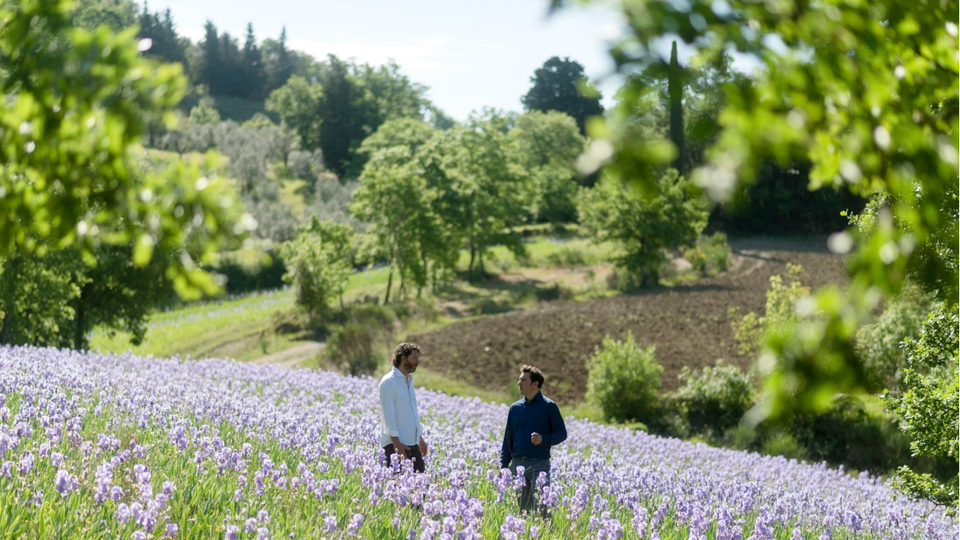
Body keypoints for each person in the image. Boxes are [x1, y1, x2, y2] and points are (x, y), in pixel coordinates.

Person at [500, 365, 567, 513]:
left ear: (535, 384)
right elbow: (508, 439)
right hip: (518, 465)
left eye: (523, 380)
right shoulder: (515, 408)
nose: (519, 383)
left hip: (539, 465)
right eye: (519, 380)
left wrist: (543, 439)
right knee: (523, 511)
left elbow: (562, 433)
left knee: (542, 509)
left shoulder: (549, 406)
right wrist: (504, 465)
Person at [379, 342, 428, 473]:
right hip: (396, 445)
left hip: (412, 443)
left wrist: (419, 438)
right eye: (415, 358)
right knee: (397, 483)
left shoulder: (409, 380)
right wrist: (397, 445)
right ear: (403, 358)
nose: (417, 362)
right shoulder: (389, 382)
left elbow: (412, 413)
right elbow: (388, 415)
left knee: (420, 483)